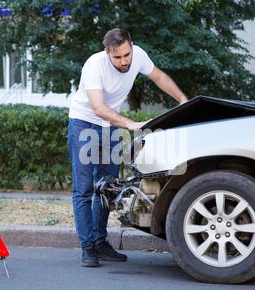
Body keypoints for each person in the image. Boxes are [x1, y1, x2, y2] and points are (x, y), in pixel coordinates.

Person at [68, 28, 188, 267]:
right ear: (107, 53)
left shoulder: (139, 55)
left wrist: (184, 101)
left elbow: (160, 77)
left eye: (126, 55)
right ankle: (88, 247)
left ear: (132, 46)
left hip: (110, 126)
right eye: (117, 57)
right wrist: (130, 124)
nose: (124, 62)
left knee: (107, 188)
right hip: (84, 123)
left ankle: (101, 243)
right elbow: (99, 108)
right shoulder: (94, 65)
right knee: (84, 189)